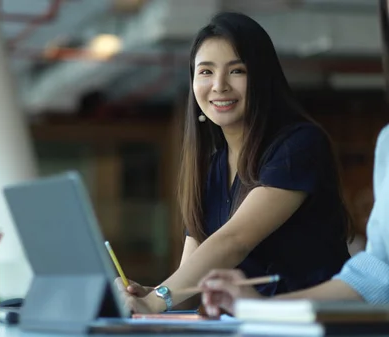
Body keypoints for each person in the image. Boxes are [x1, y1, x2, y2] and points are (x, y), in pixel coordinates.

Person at [116, 11, 354, 314]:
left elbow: (234, 241)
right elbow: (191, 281)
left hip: (316, 324)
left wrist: (156, 300)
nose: (219, 85)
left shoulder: (298, 145)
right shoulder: (210, 167)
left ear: (261, 78)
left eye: (237, 70)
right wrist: (152, 294)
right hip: (249, 326)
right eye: (205, 72)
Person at [198, 125, 389, 317]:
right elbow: (375, 276)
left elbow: (234, 241)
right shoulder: (386, 140)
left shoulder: (299, 146)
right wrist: (260, 308)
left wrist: (166, 295)